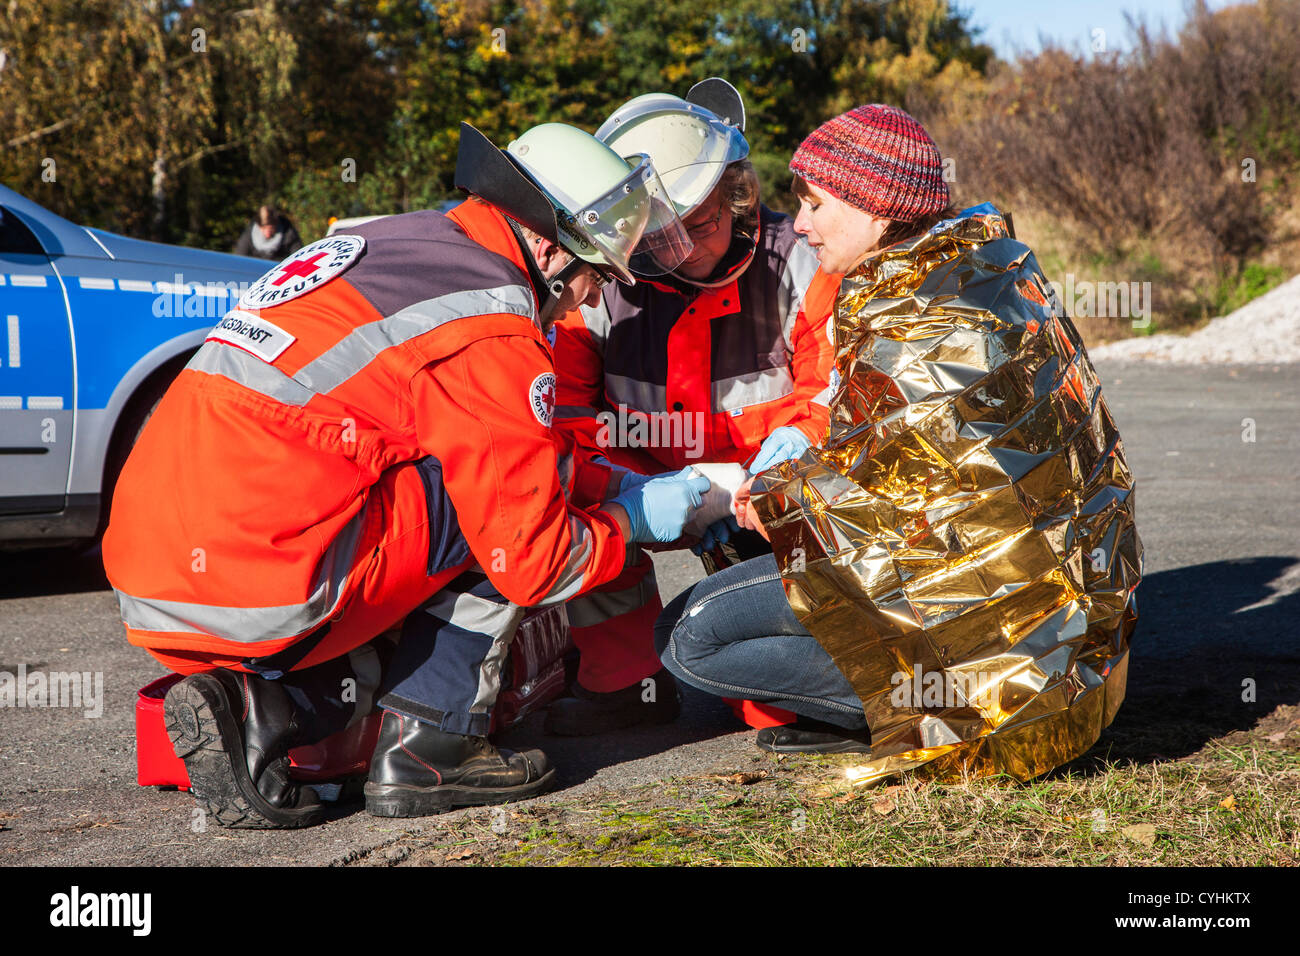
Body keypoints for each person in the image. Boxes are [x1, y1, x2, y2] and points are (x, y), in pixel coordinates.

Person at [103, 120, 708, 827]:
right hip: (268, 581)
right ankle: (431, 748)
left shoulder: (398, 244)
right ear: (548, 248)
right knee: (505, 525)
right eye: (596, 276)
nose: (593, 300)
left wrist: (604, 481)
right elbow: (533, 560)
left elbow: (485, 443)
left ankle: (274, 706)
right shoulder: (491, 322)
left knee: (446, 496)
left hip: (154, 570)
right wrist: (628, 520)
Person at [657, 104, 1140, 773]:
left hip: (1002, 662)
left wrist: (755, 498)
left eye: (815, 204)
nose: (799, 224)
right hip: (1063, 644)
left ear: (875, 210)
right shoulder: (980, 274)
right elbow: (914, 478)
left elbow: (881, 524)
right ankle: (898, 701)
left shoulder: (914, 328)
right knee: (733, 600)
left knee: (690, 637)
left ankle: (924, 716)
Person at [546, 79, 842, 736]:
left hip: (766, 493)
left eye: (699, 225)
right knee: (570, 505)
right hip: (646, 478)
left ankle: (813, 680)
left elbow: (830, 391)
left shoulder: (798, 258)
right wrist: (630, 492)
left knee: (773, 713)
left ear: (737, 194)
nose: (676, 251)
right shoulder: (595, 284)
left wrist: (772, 476)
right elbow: (564, 419)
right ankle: (622, 683)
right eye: (655, 235)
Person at [233, 204, 303, 260]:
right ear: (259, 226)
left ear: (276, 225)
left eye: (271, 228)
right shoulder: (249, 236)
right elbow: (239, 258)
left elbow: (298, 255)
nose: (268, 232)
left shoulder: (288, 233)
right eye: (264, 228)